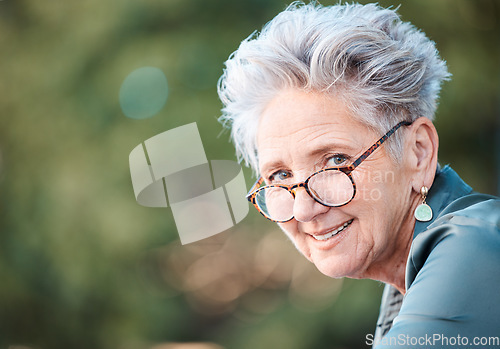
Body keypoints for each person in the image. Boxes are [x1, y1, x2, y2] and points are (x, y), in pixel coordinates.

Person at [217, 2, 500, 348]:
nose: (305, 210)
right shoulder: (409, 280)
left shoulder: (477, 246)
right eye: (279, 176)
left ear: (418, 152)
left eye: (335, 161)